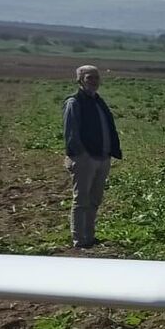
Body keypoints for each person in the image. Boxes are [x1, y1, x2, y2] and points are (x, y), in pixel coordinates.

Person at [61, 64, 122, 248]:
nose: (94, 81)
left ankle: (89, 236)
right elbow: (71, 132)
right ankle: (79, 240)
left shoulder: (98, 101)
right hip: (85, 158)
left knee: (94, 199)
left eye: (96, 77)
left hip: (102, 157)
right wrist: (81, 155)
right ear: (80, 80)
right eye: (89, 77)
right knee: (81, 200)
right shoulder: (74, 102)